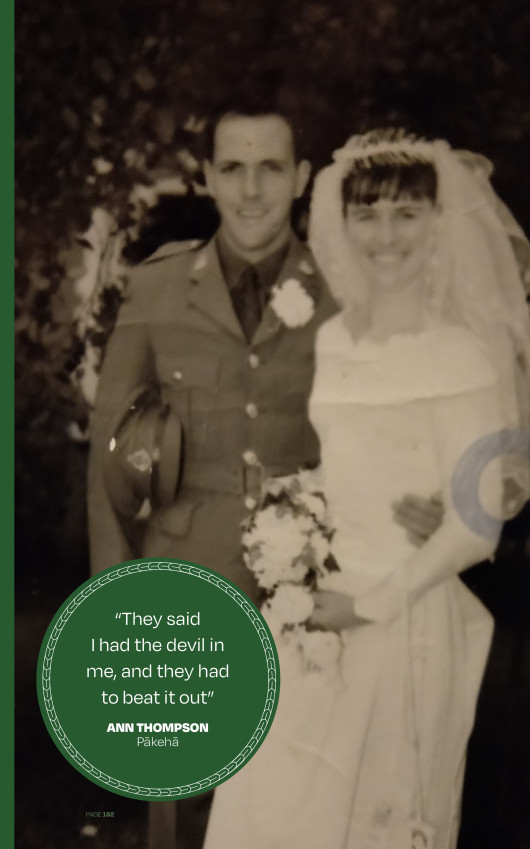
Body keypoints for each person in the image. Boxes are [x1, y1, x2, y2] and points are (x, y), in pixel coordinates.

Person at [87, 97, 443, 848]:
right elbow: (111, 449)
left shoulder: (349, 290)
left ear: (304, 177)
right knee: (182, 802)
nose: (252, 190)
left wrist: (428, 506)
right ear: (208, 178)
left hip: (311, 588)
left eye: (271, 169)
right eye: (235, 169)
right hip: (182, 573)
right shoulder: (157, 285)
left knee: (298, 803)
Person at [202, 128, 530, 849]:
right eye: (367, 213)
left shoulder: (463, 353)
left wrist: (367, 605)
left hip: (401, 611)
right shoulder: (333, 340)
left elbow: (478, 523)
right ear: (341, 222)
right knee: (274, 809)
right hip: (312, 610)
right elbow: (343, 463)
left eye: (406, 214)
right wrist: (293, 527)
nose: (385, 235)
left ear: (438, 222)